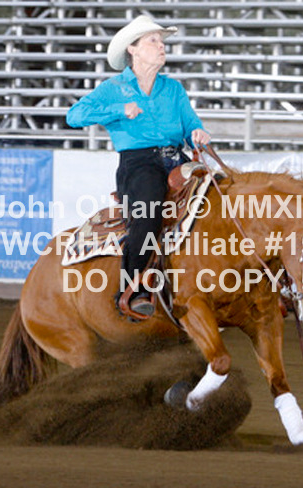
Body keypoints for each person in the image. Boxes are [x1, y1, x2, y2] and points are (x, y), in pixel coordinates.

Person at [66, 15, 211, 317]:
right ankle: (132, 289)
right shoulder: (114, 88)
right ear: (132, 49)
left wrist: (197, 133)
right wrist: (119, 109)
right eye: (153, 41)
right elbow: (74, 115)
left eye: (161, 41)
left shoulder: (173, 89)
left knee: (218, 196)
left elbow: (190, 125)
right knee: (148, 212)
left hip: (177, 159)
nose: (161, 46)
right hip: (138, 163)